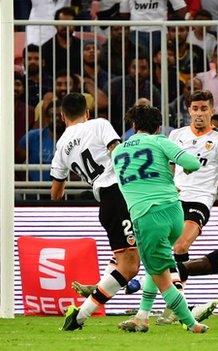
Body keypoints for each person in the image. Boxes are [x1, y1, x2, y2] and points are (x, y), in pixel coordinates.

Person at [111, 105, 207, 333]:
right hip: (174, 213)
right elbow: (193, 164)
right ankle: (141, 317)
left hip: (146, 216)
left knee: (162, 276)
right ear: (158, 127)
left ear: (134, 126)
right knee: (155, 268)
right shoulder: (160, 141)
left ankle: (191, 324)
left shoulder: (117, 152)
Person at [51, 93, 139, 331]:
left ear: (62, 116)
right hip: (119, 193)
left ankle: (140, 307)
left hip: (105, 200)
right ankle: (80, 316)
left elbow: (56, 193)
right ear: (87, 112)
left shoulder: (61, 146)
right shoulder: (99, 124)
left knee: (131, 256)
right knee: (130, 266)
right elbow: (117, 151)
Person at [151, 90, 218, 324]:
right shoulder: (176, 135)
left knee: (181, 245)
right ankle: (174, 306)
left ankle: (174, 307)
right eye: (195, 109)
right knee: (160, 252)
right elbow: (169, 168)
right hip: (173, 199)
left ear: (212, 110)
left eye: (204, 109)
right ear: (188, 110)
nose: (199, 113)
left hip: (200, 200)